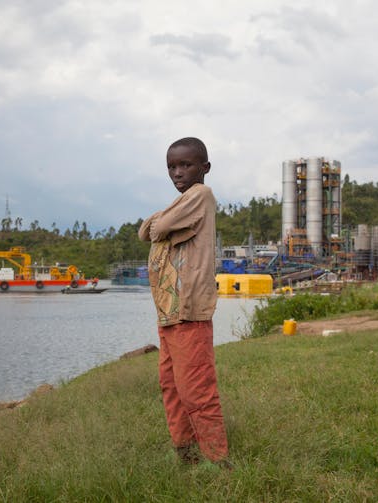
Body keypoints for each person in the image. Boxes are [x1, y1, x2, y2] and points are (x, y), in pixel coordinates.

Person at [138, 137, 231, 468]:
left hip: (189, 312)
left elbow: (157, 226)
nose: (177, 172)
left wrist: (162, 224)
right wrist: (162, 224)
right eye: (171, 167)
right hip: (169, 314)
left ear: (204, 167)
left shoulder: (200, 195)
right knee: (172, 387)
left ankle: (217, 460)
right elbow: (144, 232)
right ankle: (186, 453)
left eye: (185, 165)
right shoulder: (182, 203)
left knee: (197, 390)